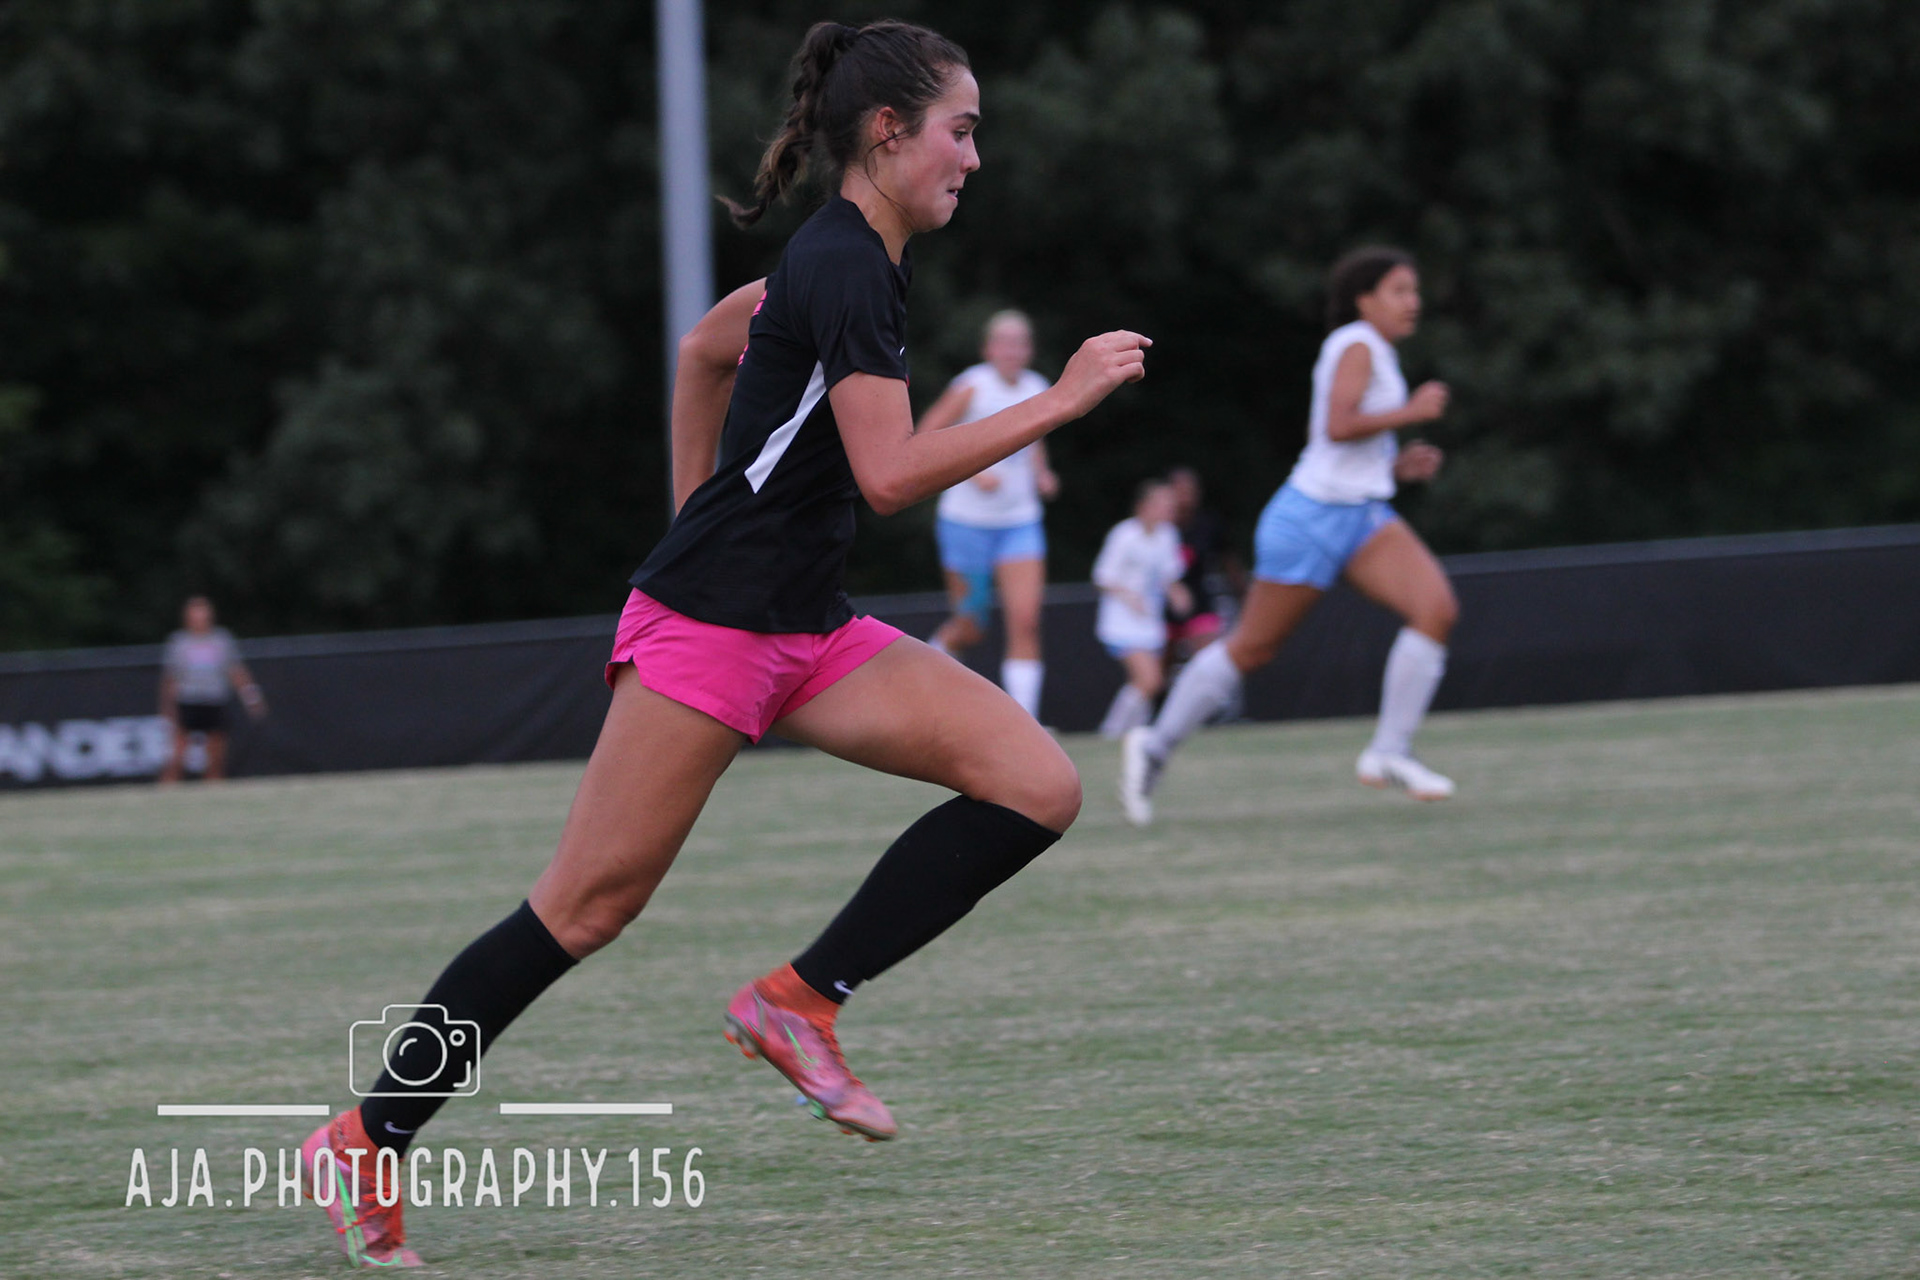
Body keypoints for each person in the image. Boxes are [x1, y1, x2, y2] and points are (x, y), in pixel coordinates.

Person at [299, 20, 1150, 1268]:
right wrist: (1061, 399)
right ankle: (367, 1135)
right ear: (888, 132)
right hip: (712, 626)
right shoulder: (844, 262)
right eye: (960, 131)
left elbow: (705, 351)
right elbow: (890, 476)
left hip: (803, 625)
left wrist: (694, 506)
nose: (974, 157)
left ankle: (798, 999)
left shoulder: (857, 260)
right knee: (584, 907)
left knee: (1037, 783)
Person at [1119, 246, 1457, 827]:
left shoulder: (1375, 350)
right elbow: (1337, 426)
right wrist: (1412, 413)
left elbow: (1341, 445)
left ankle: (1390, 751)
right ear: (1364, 299)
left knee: (1436, 610)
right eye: (1399, 291)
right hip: (1310, 518)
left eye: (1414, 290)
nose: (1413, 302)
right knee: (1252, 648)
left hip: (1361, 514)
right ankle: (1154, 745)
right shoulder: (1355, 343)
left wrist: (1395, 467)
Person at [919, 310, 1058, 720]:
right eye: (1005, 343)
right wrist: (975, 472)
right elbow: (926, 433)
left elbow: (1034, 441)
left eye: (1020, 343)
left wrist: (1042, 473)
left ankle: (1026, 723)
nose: (1013, 351)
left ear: (1029, 350)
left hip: (1020, 522)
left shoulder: (1037, 387)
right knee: (970, 625)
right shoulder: (971, 385)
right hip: (966, 523)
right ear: (988, 349)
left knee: (1026, 620)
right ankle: (922, 679)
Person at [1093, 480, 1190, 739]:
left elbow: (1169, 576)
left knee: (1146, 683)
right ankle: (1112, 731)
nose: (1168, 511)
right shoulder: (1124, 535)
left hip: (1150, 622)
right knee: (1150, 680)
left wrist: (1177, 594)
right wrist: (1129, 598)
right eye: (1163, 505)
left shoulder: (1168, 535)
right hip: (1121, 622)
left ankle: (1134, 733)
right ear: (1144, 506)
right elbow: (1103, 576)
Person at [157, 595, 265, 784]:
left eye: (203, 613)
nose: (199, 618)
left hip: (215, 700)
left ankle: (213, 788)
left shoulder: (221, 640)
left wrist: (252, 698)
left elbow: (236, 672)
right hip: (188, 701)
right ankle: (167, 788)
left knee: (216, 757)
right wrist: (167, 708)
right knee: (177, 756)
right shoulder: (179, 642)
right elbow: (170, 679)